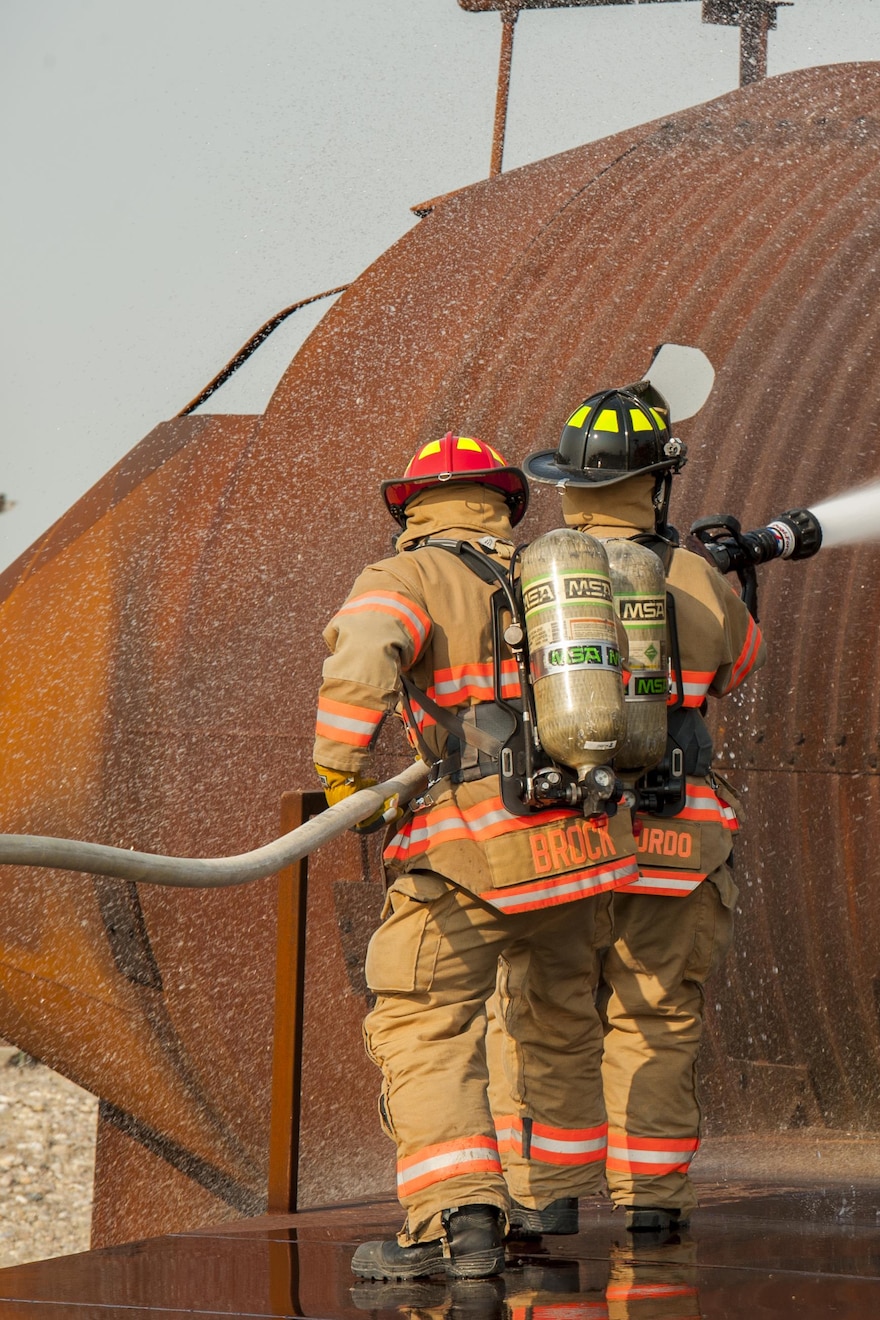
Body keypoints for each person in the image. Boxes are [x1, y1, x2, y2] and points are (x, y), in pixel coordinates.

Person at [316, 433, 639, 1280]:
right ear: (505, 503)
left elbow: (365, 650)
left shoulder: (406, 576)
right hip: (575, 845)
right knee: (558, 1013)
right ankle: (549, 1199)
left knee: (423, 1023)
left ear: (410, 508)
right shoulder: (549, 577)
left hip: (469, 850)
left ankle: (455, 1221)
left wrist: (341, 768)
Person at [489, 386, 761, 1237]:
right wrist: (727, 576)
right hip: (678, 837)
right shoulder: (687, 575)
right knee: (658, 1016)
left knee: (548, 1008)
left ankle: (549, 1198)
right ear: (657, 484)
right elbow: (735, 669)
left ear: (569, 485)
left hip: (564, 840)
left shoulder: (535, 573)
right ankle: (653, 1206)